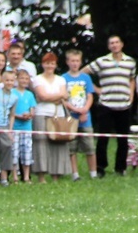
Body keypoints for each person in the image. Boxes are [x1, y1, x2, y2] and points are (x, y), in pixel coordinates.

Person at [83, 35, 136, 177]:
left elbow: (131, 79)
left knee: (123, 139)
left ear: (122, 44)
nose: (114, 45)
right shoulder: (102, 61)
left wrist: (131, 95)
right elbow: (83, 73)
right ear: (108, 47)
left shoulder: (130, 62)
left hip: (124, 105)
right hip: (106, 104)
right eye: (111, 43)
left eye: (117, 42)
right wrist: (95, 89)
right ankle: (100, 167)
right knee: (103, 138)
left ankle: (120, 168)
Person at [33, 52, 70, 183]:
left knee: (58, 143)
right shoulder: (37, 79)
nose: (50, 66)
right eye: (47, 63)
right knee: (40, 143)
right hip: (41, 113)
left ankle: (56, 175)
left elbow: (65, 96)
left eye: (52, 63)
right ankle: (41, 176)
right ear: (43, 64)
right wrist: (58, 96)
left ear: (56, 65)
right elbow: (42, 96)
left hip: (58, 114)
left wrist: (54, 96)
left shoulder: (61, 79)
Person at [63, 49, 97, 180]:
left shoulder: (86, 78)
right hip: (71, 117)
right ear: (67, 62)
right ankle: (75, 174)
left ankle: (93, 173)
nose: (75, 63)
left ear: (80, 62)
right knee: (72, 148)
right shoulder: (63, 78)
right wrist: (75, 110)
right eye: (72, 61)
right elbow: (63, 100)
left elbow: (90, 96)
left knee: (89, 146)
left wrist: (85, 110)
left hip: (85, 117)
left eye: (77, 61)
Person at [11, 70, 37, 183]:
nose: (24, 81)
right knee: (14, 152)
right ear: (17, 79)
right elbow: (9, 111)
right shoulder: (12, 92)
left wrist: (29, 115)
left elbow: (33, 110)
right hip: (14, 127)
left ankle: (26, 176)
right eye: (22, 78)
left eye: (26, 79)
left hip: (27, 128)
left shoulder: (30, 94)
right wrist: (18, 116)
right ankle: (14, 176)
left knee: (26, 152)